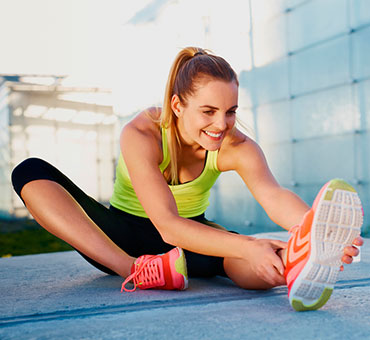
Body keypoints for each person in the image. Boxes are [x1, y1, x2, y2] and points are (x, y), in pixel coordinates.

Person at [11, 47, 364, 311]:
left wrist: (313, 229)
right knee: (29, 172)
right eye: (208, 111)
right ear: (178, 106)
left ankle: (296, 262)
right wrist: (247, 244)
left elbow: (272, 195)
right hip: (120, 236)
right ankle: (136, 270)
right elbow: (166, 226)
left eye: (230, 111)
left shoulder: (235, 145)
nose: (221, 124)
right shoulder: (142, 132)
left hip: (190, 240)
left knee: (256, 259)